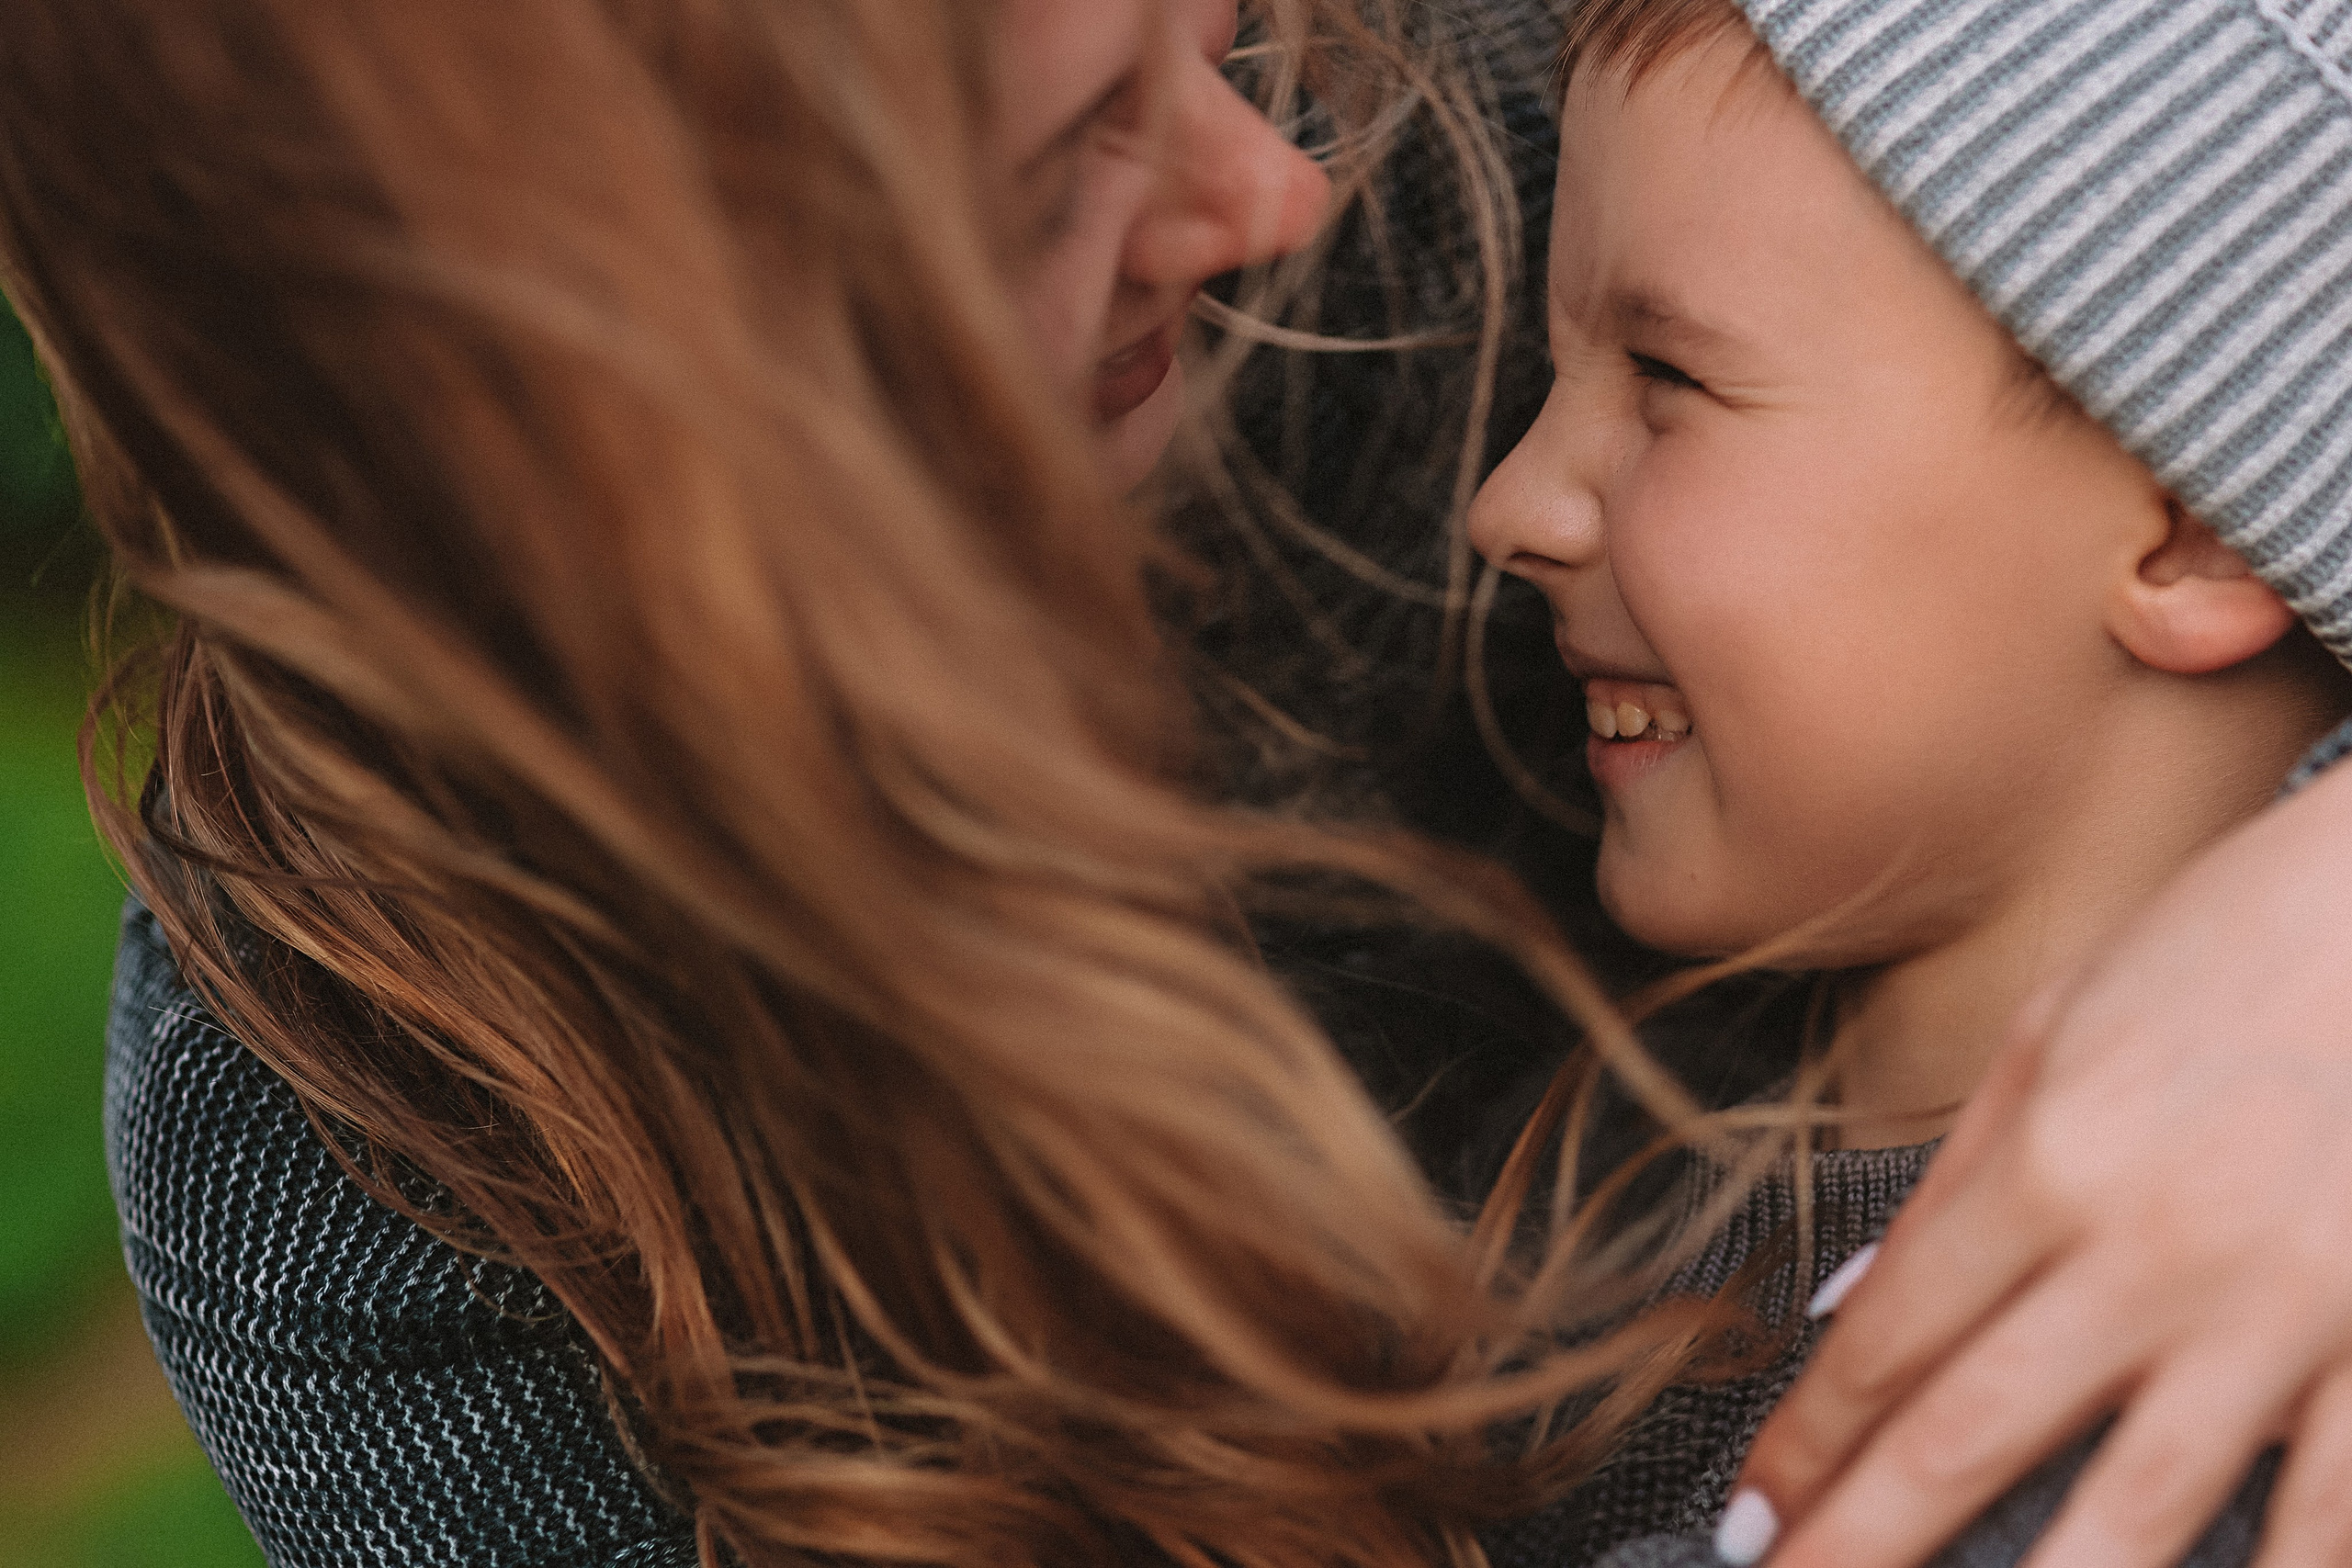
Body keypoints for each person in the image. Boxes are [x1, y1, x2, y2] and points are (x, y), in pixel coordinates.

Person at [19, 0, 2352, 1563]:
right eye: (1059, 172)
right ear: (625, 408)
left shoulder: (1636, 147)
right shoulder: (374, 1150)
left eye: (1201, 27)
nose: (1274, 193)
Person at [1466, 2, 2352, 1565]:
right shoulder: (1594, 1097)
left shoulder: (2175, 1392)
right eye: (1559, 371)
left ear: (2188, 532)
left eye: (1667, 375)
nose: (1510, 504)